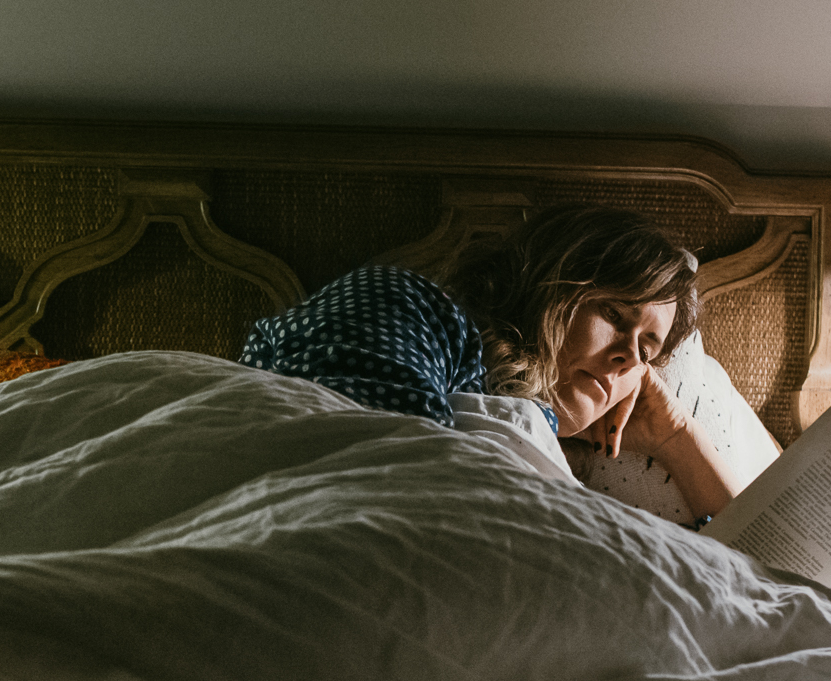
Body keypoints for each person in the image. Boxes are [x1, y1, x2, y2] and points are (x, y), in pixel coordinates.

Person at [239, 204, 741, 520]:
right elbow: (381, 486)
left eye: (647, 352)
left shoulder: (539, 448)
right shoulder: (406, 303)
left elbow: (756, 575)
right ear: (549, 283)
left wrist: (676, 437)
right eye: (614, 314)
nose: (629, 356)